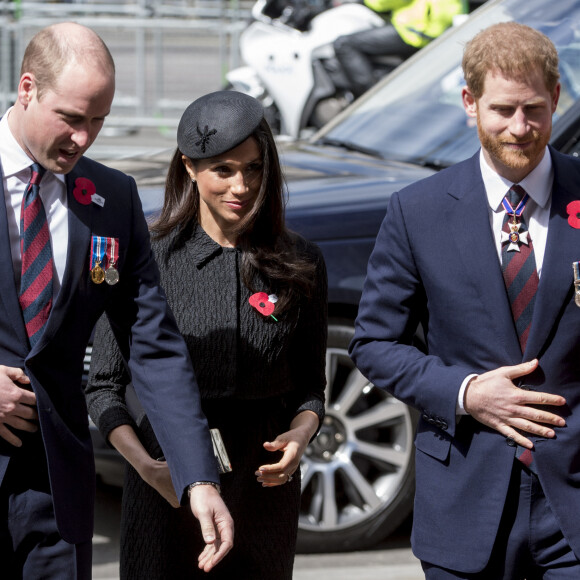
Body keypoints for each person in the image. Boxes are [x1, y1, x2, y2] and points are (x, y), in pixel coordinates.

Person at [0, 22, 233, 578]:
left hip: (54, 500)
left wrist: (197, 474)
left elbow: (153, 345)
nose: (84, 138)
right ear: (27, 89)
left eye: (99, 120)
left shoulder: (111, 199)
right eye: (72, 118)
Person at [350, 21, 580, 579]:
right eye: (502, 110)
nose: (520, 128)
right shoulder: (418, 211)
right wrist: (467, 392)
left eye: (533, 109)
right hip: (465, 503)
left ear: (555, 99)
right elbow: (375, 344)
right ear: (469, 103)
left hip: (572, 509)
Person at [85, 90, 328, 579]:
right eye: (223, 170)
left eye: (255, 169)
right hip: (167, 481)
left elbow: (310, 388)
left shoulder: (300, 261)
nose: (241, 186)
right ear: (190, 168)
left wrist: (302, 435)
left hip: (263, 493)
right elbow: (103, 387)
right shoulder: (146, 259)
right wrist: (146, 467)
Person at [333, 0, 466, 98]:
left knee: (344, 44)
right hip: (446, 20)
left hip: (420, 28)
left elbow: (383, 2)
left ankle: (373, 99)